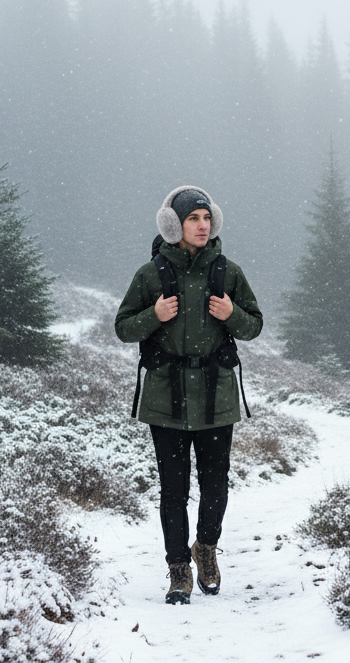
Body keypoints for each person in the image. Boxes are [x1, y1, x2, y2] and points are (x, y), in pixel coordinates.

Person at [115, 185, 263, 604]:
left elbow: (254, 325)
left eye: (206, 218)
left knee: (216, 485)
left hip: (217, 397)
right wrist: (153, 314)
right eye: (193, 219)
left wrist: (232, 314)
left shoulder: (228, 272)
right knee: (173, 489)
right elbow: (123, 327)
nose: (202, 226)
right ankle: (178, 568)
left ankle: (206, 547)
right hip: (167, 397)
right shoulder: (150, 275)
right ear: (173, 224)